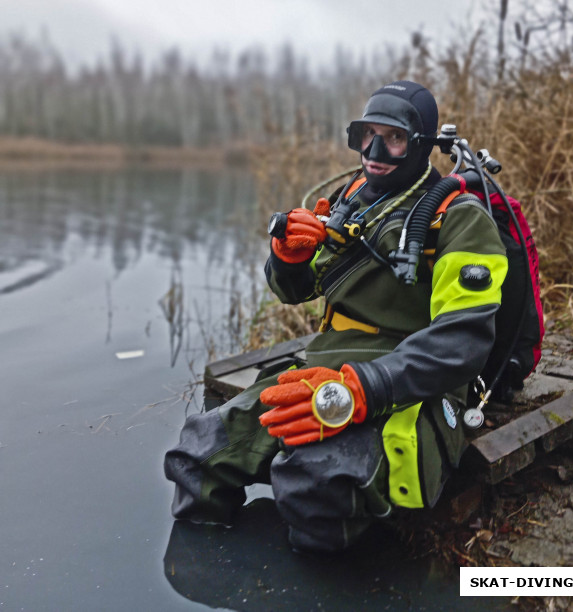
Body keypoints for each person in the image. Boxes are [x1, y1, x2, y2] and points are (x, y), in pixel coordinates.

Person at [164, 80, 508, 552]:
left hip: (409, 382)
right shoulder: (356, 198)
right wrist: (288, 258)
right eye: (366, 134)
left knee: (312, 483)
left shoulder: (460, 218)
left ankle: (330, 581)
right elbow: (297, 290)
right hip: (323, 366)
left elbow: (463, 340)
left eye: (394, 138)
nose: (374, 150)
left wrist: (363, 390)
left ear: (423, 144)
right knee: (197, 452)